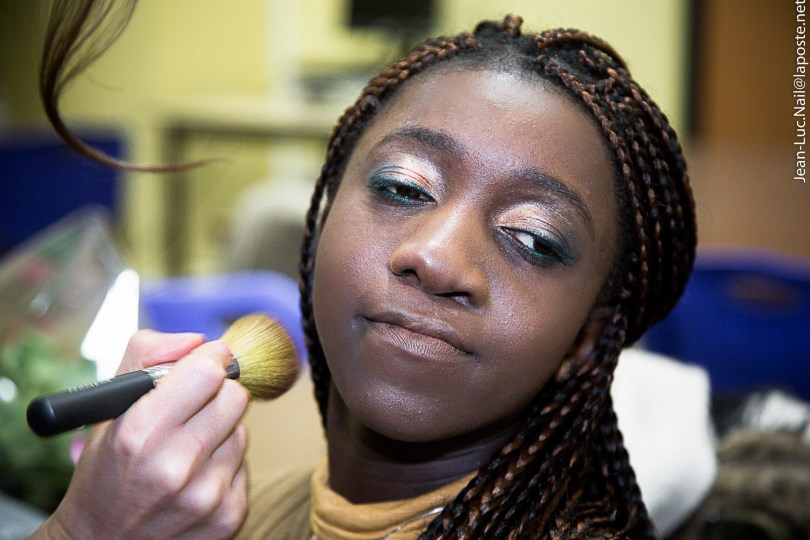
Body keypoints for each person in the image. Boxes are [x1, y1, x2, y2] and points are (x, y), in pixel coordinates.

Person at [31, 7, 697, 539]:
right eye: (404, 187)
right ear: (320, 222)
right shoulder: (227, 511)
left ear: (586, 341)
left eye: (533, 238)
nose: (437, 258)